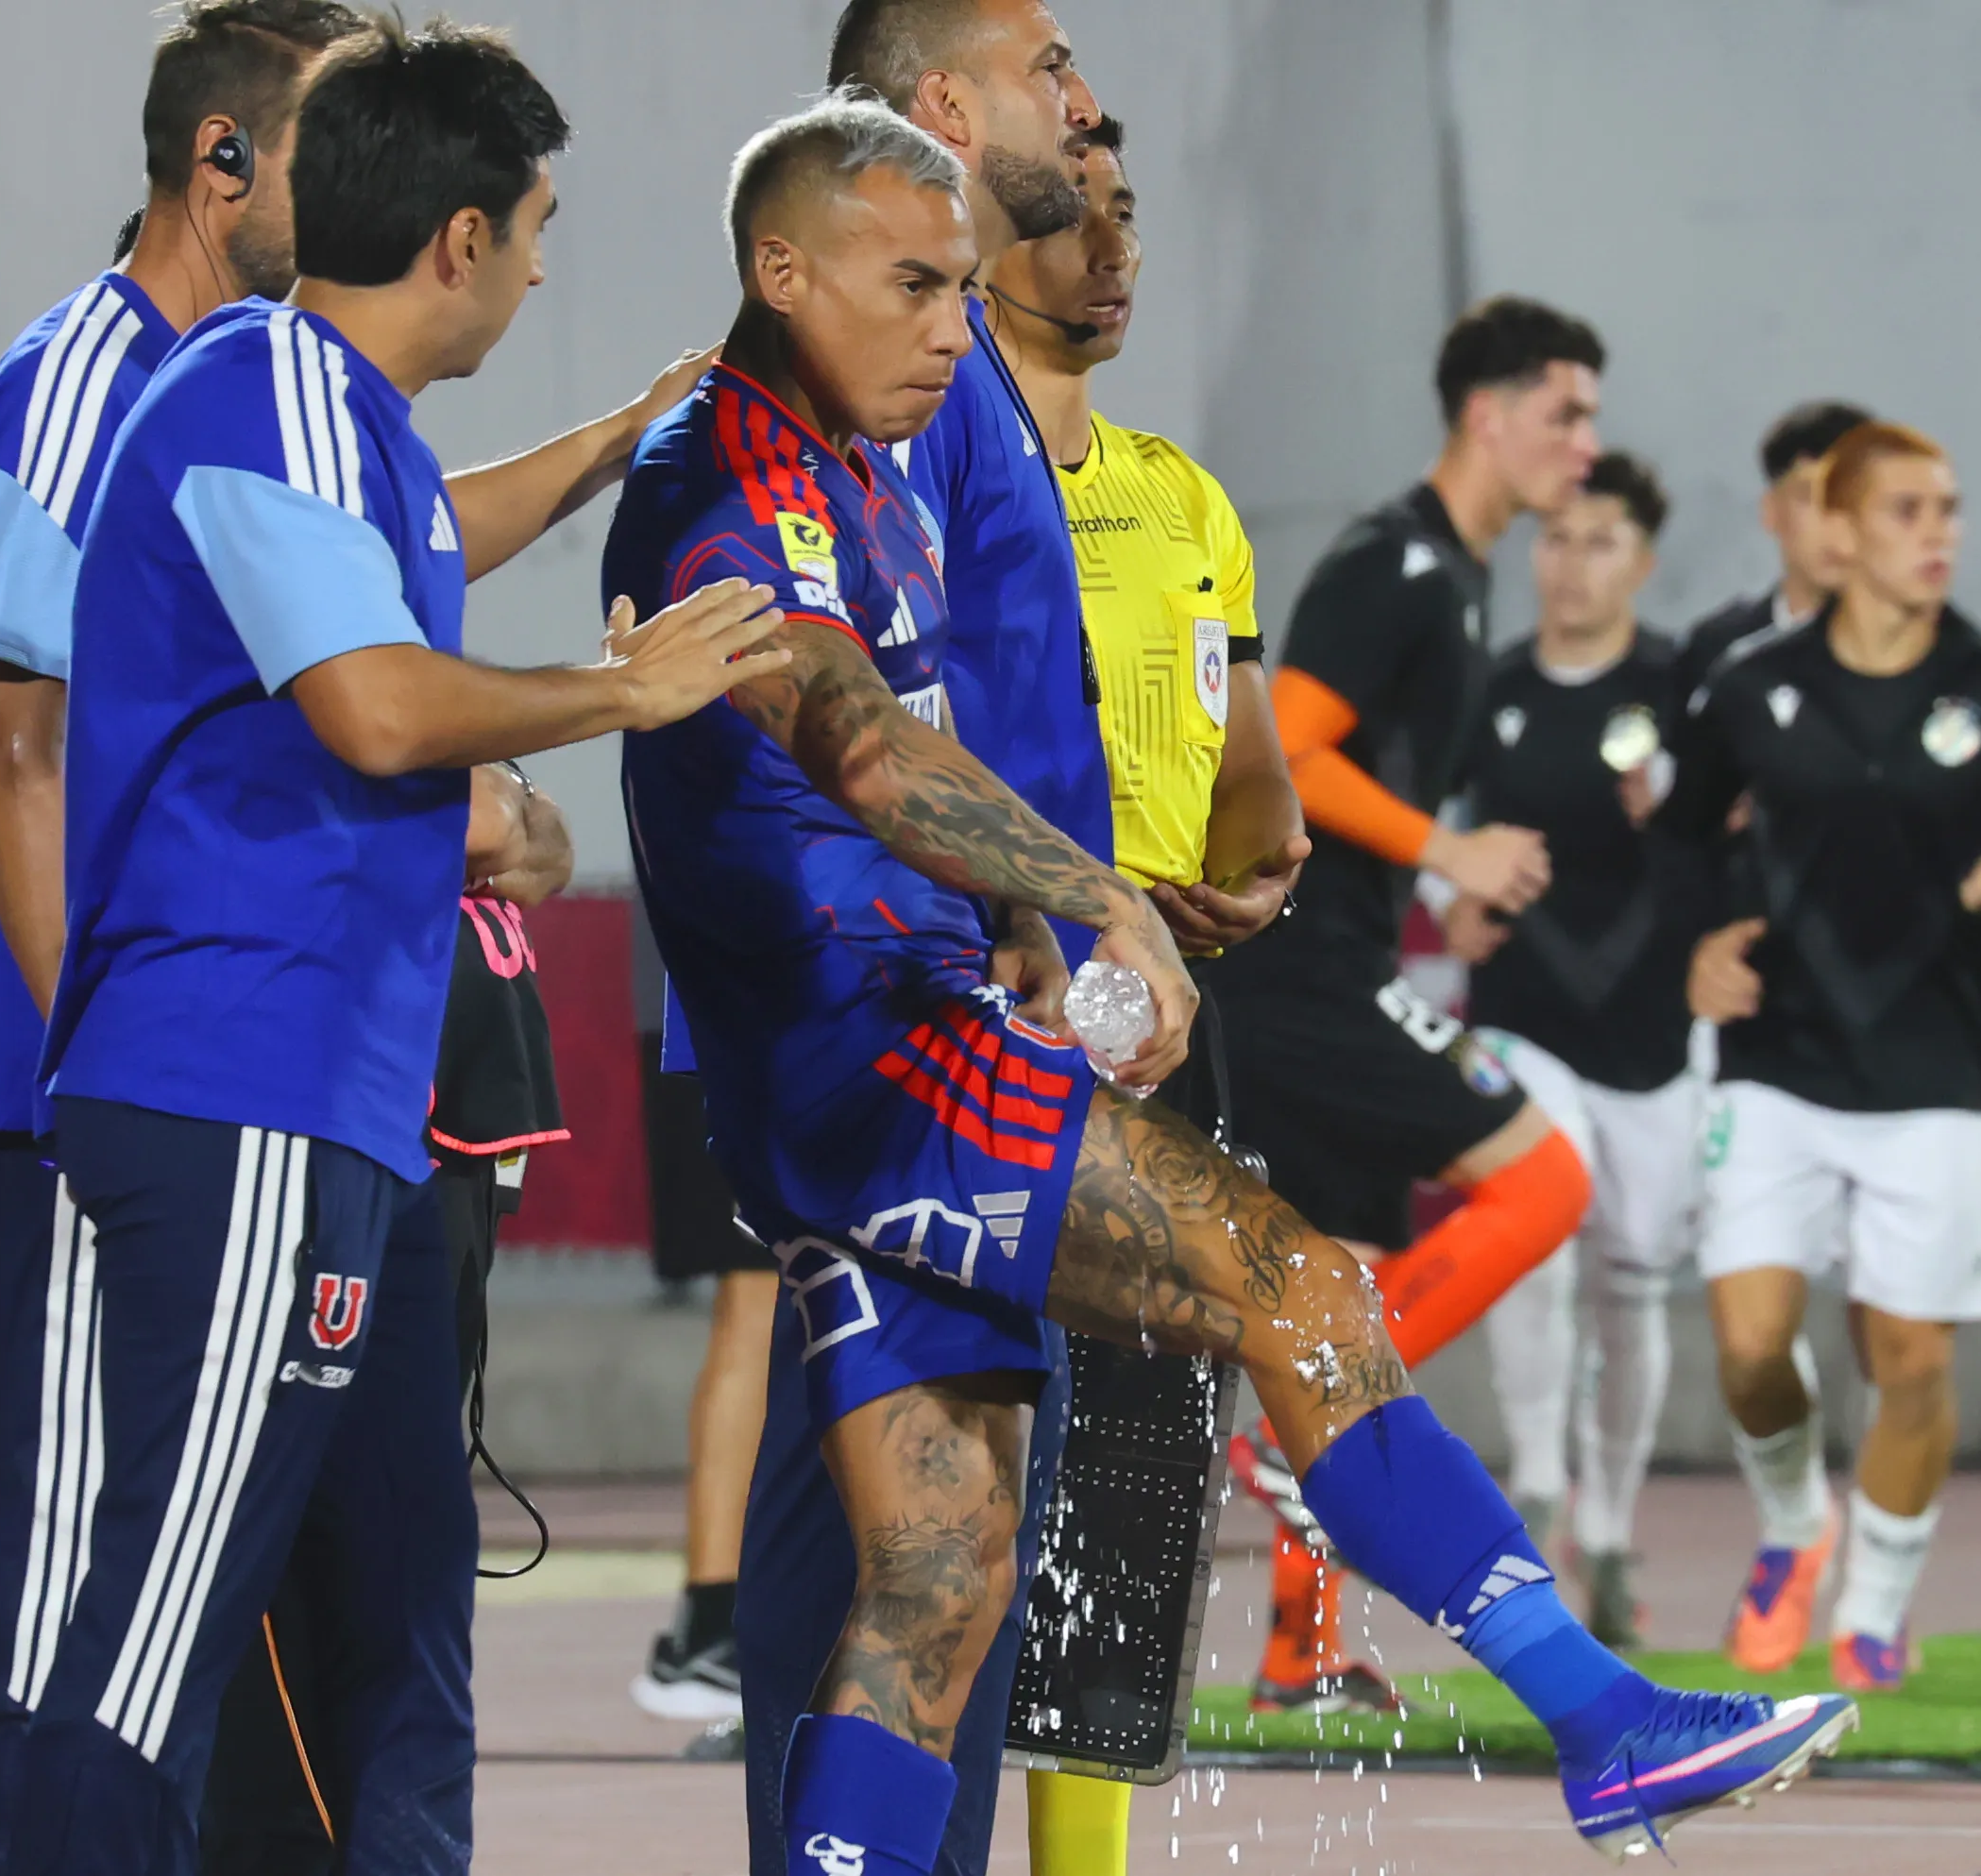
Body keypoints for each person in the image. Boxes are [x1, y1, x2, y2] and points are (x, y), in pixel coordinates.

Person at [616, 94, 1854, 1876]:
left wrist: (1033, 924)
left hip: (873, 1045)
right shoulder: (725, 475)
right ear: (780, 266)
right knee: (1302, 1283)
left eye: (967, 290)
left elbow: (918, 746)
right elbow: (852, 739)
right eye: (914, 287)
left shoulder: (869, 468)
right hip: (871, 1058)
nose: (953, 329)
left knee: (936, 1585)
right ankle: (1604, 1720)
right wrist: (1099, 897)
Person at [4, 28, 788, 1876]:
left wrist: (628, 434)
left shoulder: (339, 421)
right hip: (239, 1094)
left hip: (341, 1108)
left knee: (401, 1611)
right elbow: (367, 705)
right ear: (454, 241)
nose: (538, 267)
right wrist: (619, 686)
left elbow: (427, 537)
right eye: (531, 231)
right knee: (162, 1632)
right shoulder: (258, 385)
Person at [0, 9, 365, 1870]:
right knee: (83, 1568)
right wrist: (91, 1055)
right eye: (336, 149)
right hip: (72, 1078)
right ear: (219, 163)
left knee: (179, 1581)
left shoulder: (251, 380)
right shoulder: (85, 381)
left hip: (184, 1071)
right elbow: (12, 741)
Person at [731, 5, 1125, 1872]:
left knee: (930, 1553)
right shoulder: (888, 360)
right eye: (1051, 62)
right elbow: (855, 707)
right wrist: (1057, 920)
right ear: (946, 103)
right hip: (907, 1022)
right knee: (896, 1555)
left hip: (956, 1011)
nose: (1084, 98)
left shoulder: (936, 356)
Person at [981, 110, 1306, 1867]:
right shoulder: (937, 479)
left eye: (1127, 218)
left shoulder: (1185, 496)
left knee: (1128, 1476)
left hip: (1165, 1020)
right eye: (1074, 217)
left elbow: (1248, 741)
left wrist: (1262, 847)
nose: (1114, 249)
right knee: (970, 1469)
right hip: (996, 1002)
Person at [1207, 296, 1608, 1707]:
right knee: (1546, 1177)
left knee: (1352, 1273)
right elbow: (1287, 753)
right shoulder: (1397, 565)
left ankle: (1296, 1656)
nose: (1587, 441)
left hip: (1335, 960)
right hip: (1302, 974)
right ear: (1484, 416)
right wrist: (1448, 849)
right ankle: (1293, 1437)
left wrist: (1444, 877)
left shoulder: (1463, 574)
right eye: (1567, 412)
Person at [1666, 421, 1981, 1693]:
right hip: (1774, 1055)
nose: (1939, 533)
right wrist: (1699, 946)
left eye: (1950, 509)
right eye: (1910, 510)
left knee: (1910, 1359)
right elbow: (1682, 838)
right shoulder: (1749, 684)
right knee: (1750, 1344)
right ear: (1838, 533)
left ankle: (1875, 1602)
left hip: (1932, 1065)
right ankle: (1799, 1523)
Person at [201, 767, 576, 1876]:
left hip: (440, 1133)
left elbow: (535, 840)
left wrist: (499, 798)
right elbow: (472, 815)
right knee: (299, 1564)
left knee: (411, 1549)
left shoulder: (421, 654)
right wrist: (486, 803)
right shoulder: (308, 642)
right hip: (320, 1124)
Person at [1441, 452, 1715, 1649]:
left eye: (1600, 540)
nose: (1571, 562)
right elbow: (1411, 818)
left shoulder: (1685, 694)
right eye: (1555, 537)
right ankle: (1537, 1486)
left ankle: (1606, 1528)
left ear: (1642, 562)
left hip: (1655, 1035)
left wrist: (1694, 825)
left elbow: (1753, 846)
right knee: (1535, 1228)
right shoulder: (1488, 689)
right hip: (1523, 1018)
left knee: (1630, 1280)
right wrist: (1441, 887)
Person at [634, 1043, 782, 1720]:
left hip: (746, 1002)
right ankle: (719, 1622)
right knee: (764, 1289)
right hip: (756, 1005)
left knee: (770, 1291)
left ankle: (723, 1620)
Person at [1677, 400, 1874, 694]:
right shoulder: (1715, 651)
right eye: (1810, 498)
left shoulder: (1926, 653)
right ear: (1770, 511)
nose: (1834, 524)